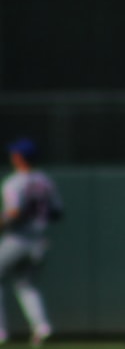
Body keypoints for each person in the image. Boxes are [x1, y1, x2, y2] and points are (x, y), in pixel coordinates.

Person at [0, 139, 63, 347]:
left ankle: (1, 331)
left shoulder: (14, 182)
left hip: (17, 239)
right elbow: (56, 213)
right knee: (26, 285)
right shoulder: (46, 181)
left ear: (19, 157)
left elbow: (14, 213)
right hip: (39, 241)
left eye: (14, 154)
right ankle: (42, 327)